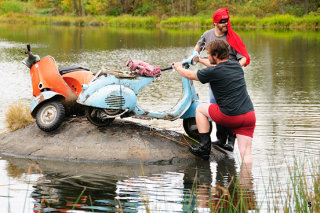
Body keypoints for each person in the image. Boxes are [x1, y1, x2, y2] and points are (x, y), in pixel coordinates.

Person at [173, 39, 255, 162]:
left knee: (200, 109)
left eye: (208, 54)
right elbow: (216, 66)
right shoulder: (236, 65)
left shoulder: (214, 72)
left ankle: (204, 148)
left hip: (230, 116)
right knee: (246, 154)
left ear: (215, 55)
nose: (207, 56)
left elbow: (191, 75)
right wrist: (200, 60)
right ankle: (248, 180)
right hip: (249, 115)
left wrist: (178, 68)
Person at [191, 8, 250, 152]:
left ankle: (231, 141)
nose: (225, 24)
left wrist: (232, 68)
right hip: (214, 78)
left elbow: (244, 58)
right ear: (215, 23)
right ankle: (221, 138)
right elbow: (197, 48)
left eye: (227, 21)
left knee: (229, 108)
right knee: (216, 107)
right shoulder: (207, 35)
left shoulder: (232, 38)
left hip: (229, 79)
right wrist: (194, 55)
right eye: (222, 21)